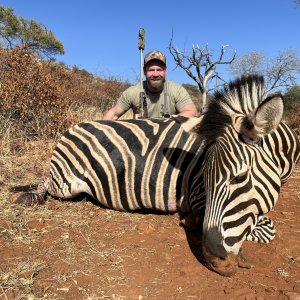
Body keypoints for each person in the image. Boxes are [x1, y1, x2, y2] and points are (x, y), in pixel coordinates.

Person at [102, 50, 198, 120]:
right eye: (151, 70)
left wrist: (168, 121)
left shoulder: (176, 90)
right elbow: (113, 113)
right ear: (144, 72)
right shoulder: (134, 91)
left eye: (159, 70)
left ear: (165, 71)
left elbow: (192, 112)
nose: (155, 74)